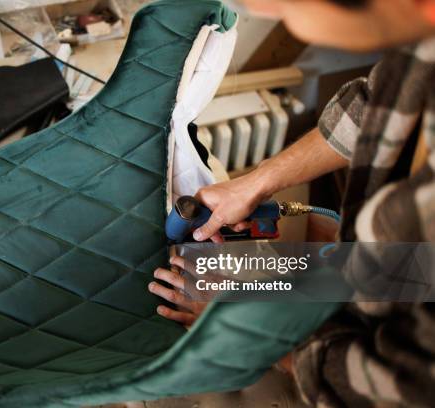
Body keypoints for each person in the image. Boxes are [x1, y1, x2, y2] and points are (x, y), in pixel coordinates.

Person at [149, 0, 435, 406]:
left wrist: (247, 328)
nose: (263, 10)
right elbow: (371, 105)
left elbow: (407, 383)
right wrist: (256, 184)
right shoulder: (422, 47)